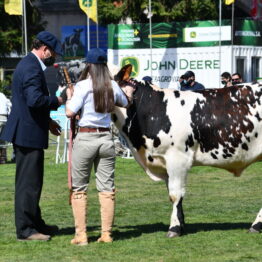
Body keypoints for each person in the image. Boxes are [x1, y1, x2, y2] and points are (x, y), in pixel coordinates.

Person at [65, 48, 134, 246]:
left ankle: (81, 235)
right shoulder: (112, 84)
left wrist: (70, 96)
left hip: (85, 138)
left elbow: (70, 112)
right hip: (105, 138)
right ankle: (106, 234)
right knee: (107, 189)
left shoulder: (83, 85)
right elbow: (125, 102)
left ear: (89, 65)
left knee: (79, 188)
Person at [0, 31, 64, 241]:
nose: (54, 56)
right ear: (45, 49)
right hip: (27, 134)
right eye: (53, 52)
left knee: (32, 183)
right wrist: (59, 100)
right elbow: (35, 100)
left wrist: (48, 121)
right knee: (29, 184)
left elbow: (31, 104)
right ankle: (26, 230)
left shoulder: (30, 64)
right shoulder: (31, 67)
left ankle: (36, 223)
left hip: (29, 131)